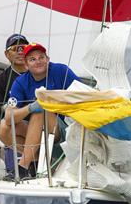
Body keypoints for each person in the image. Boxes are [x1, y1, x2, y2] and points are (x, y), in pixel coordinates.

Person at [5, 43, 79, 177]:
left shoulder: (61, 71)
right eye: (32, 59)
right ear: (26, 65)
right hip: (37, 131)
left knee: (42, 111)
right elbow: (8, 116)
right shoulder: (21, 82)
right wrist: (30, 107)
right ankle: (35, 161)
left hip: (64, 130)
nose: (38, 61)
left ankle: (22, 167)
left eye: (41, 57)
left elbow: (83, 93)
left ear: (48, 59)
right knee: (2, 127)